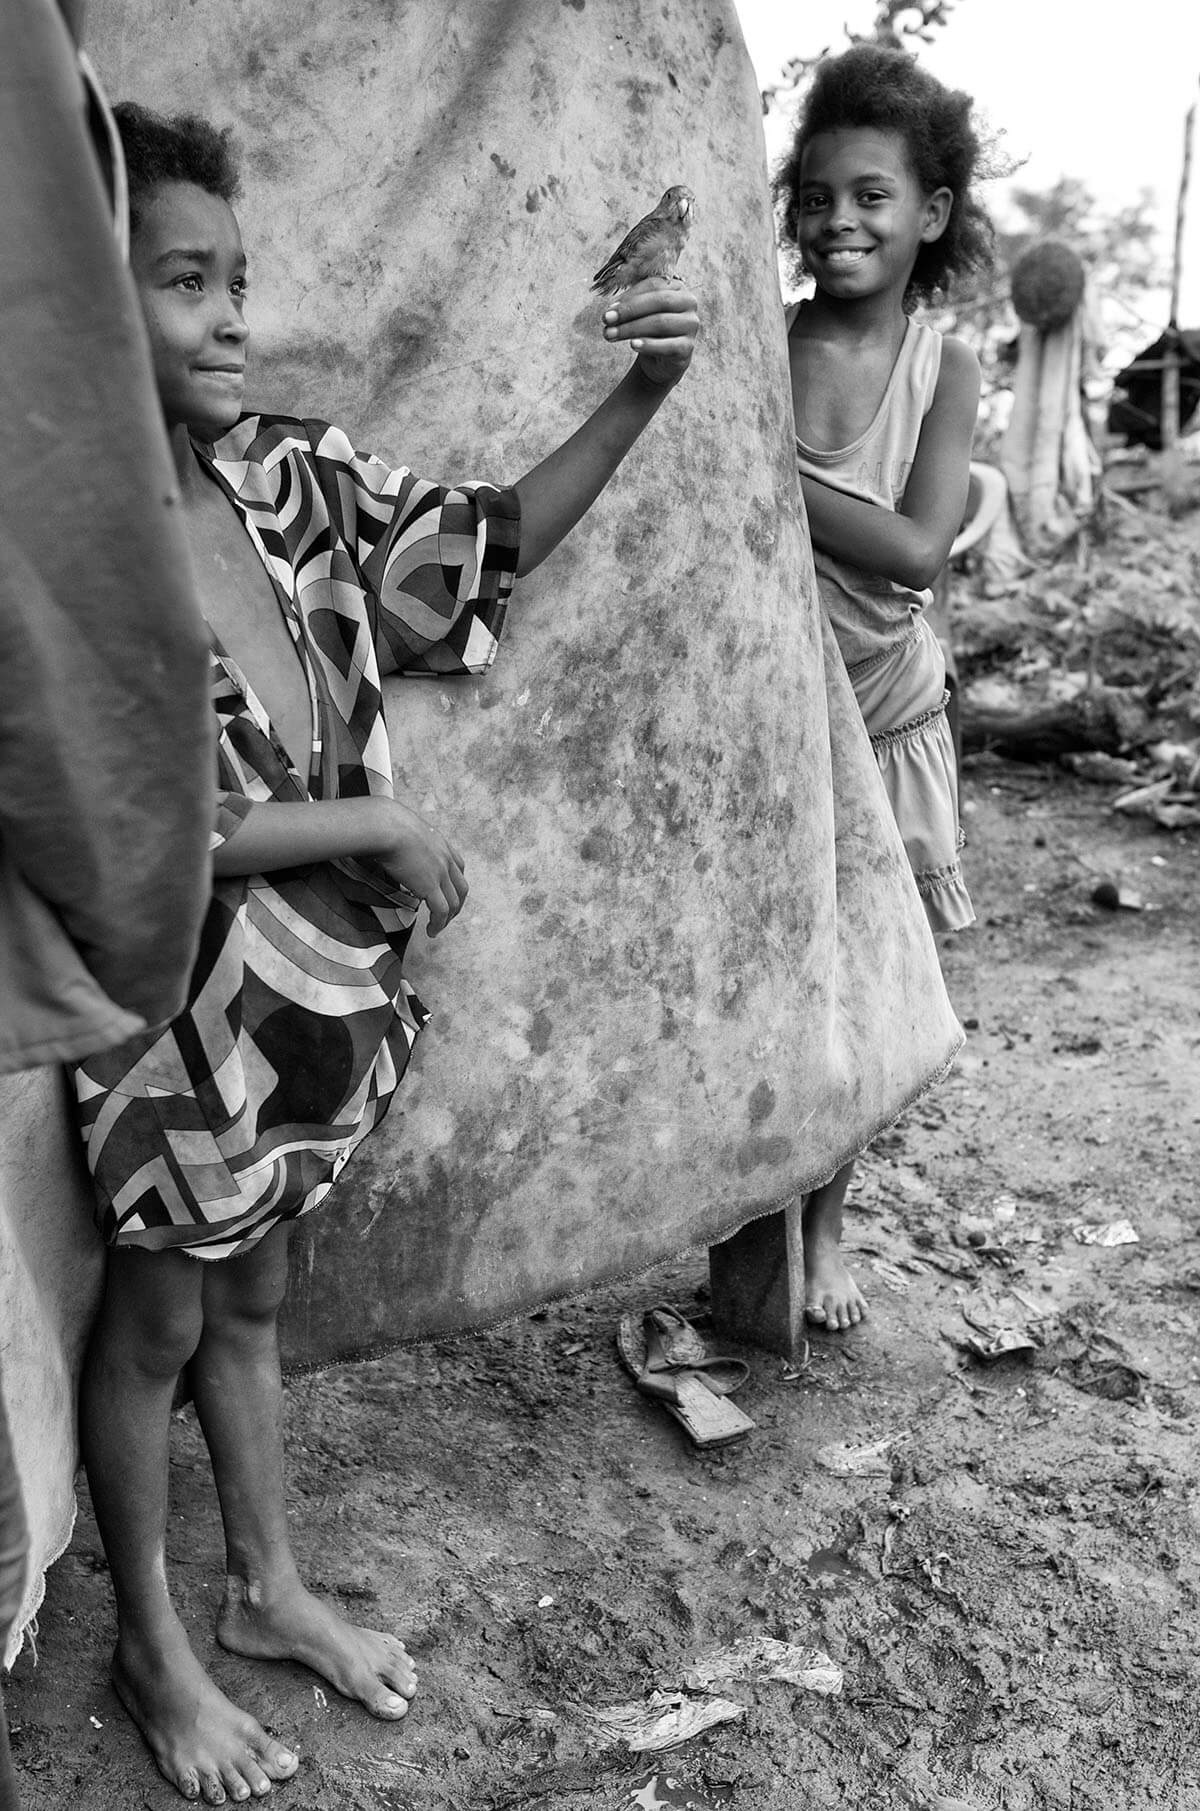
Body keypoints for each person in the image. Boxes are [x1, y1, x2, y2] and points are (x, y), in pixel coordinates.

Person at [71, 103, 699, 1807]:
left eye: (239, 278)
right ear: (78, 300)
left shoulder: (285, 480)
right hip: (172, 1024)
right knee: (148, 1330)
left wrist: (642, 390)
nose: (228, 313)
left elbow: (484, 545)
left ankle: (268, 1588)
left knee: (255, 1297)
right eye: (182, 278)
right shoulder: (67, 541)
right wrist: (375, 830)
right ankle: (154, 1644)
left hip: (311, 1016)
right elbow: (140, 827)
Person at [773, 44, 992, 1330]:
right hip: (783, 711)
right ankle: (764, 1209)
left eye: (872, 195)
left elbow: (915, 547)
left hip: (888, 714)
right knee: (783, 974)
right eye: (816, 196)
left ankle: (831, 1222)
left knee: (862, 981)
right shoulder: (771, 338)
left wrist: (760, 462)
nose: (840, 220)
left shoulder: (942, 364)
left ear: (931, 215)